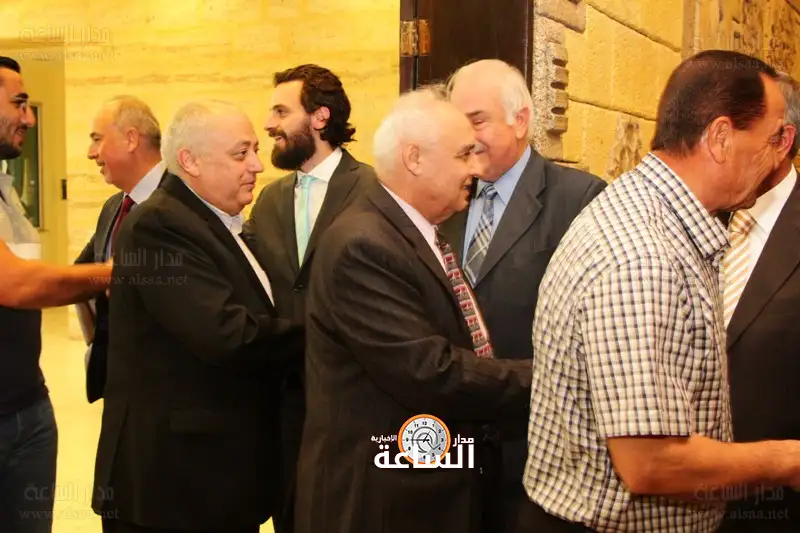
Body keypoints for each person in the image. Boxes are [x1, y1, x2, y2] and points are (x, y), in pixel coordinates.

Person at [521, 50, 800, 533]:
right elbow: (652, 462)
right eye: (774, 136)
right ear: (721, 138)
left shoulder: (652, 214)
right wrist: (789, 461)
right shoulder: (643, 256)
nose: (781, 153)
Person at [295, 88, 533, 533]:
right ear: (414, 158)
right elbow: (430, 371)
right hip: (384, 502)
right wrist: (550, 378)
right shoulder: (363, 244)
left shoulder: (414, 230)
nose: (477, 169)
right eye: (464, 154)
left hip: (428, 489)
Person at [93, 100, 303, 533]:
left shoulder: (218, 220)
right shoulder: (159, 224)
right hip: (174, 489)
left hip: (216, 479)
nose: (257, 165)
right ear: (190, 161)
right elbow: (225, 333)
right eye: (240, 153)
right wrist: (321, 336)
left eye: (255, 150)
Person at [439, 58, 606, 532]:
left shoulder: (579, 199)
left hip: (535, 446)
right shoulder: (442, 199)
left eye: (477, 121)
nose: (466, 138)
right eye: (456, 125)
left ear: (521, 119)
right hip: (452, 444)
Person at [243, 64, 376, 533]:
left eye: (281, 112)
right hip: (283, 400)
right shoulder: (269, 199)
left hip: (350, 401)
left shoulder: (374, 191)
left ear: (320, 117)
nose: (269, 124)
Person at [0, 55, 111, 533]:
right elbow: (17, 283)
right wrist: (115, 273)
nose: (29, 118)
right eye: (19, 104)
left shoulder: (6, 188)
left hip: (29, 406)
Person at [718, 73, 800, 532]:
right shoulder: (701, 213)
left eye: (736, 126)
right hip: (675, 498)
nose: (720, 142)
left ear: (782, 140)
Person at [75, 95, 167, 403]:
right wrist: (95, 343)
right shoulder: (113, 206)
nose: (91, 153)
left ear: (131, 139)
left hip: (168, 393)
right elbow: (82, 274)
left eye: (97, 139)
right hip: (118, 387)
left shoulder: (184, 202)